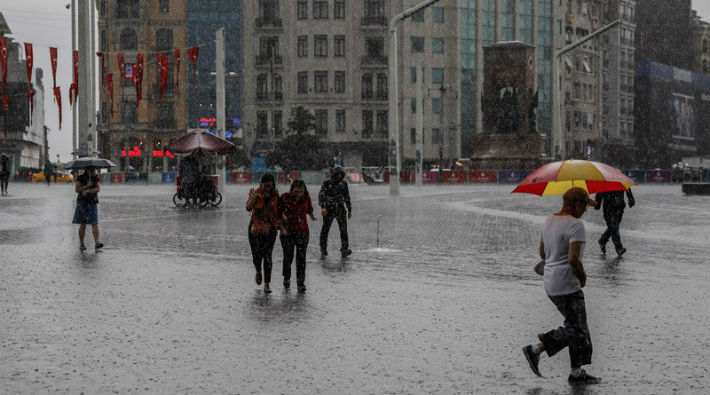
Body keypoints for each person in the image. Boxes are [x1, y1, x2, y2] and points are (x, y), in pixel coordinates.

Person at [523, 187, 601, 384]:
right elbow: (573, 259)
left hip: (550, 283)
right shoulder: (576, 225)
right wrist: (582, 276)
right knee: (577, 329)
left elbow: (543, 253)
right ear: (575, 205)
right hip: (567, 285)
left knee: (576, 325)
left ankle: (576, 373)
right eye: (583, 206)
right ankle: (536, 349)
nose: (584, 210)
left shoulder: (549, 220)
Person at [279, 180, 317, 293]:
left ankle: (301, 283)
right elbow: (278, 211)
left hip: (303, 232)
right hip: (287, 232)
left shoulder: (306, 198)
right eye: (296, 191)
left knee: (301, 258)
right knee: (288, 257)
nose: (298, 194)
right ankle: (286, 277)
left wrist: (312, 216)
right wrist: (282, 223)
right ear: (291, 190)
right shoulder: (285, 197)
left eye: (301, 191)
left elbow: (309, 209)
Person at [246, 173, 281, 293]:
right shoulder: (255, 193)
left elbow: (279, 211)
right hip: (255, 228)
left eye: (269, 185)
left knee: (267, 256)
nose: (267, 188)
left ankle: (267, 284)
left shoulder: (275, 195)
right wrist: (254, 200)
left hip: (270, 229)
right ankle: (258, 270)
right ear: (261, 184)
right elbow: (248, 208)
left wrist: (280, 223)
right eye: (265, 185)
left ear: (272, 185)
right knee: (256, 255)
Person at [318, 166, 352, 257]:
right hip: (329, 209)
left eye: (341, 174)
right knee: (325, 229)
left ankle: (344, 249)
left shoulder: (344, 184)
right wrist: (323, 207)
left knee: (343, 230)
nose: (339, 175)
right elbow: (321, 196)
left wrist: (349, 209)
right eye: (338, 174)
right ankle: (323, 248)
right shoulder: (326, 184)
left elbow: (347, 197)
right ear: (334, 174)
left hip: (340, 209)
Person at [594, 188, 635, 257]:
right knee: (614, 227)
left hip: (619, 209)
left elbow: (627, 188)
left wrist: (631, 199)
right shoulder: (605, 182)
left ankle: (602, 240)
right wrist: (597, 205)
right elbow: (599, 193)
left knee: (613, 228)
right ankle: (619, 248)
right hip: (608, 210)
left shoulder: (620, 180)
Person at [72, 167, 103, 251]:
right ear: (88, 170)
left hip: (92, 201)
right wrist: (85, 187)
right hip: (83, 202)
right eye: (92, 170)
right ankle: (82, 244)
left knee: (94, 222)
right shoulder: (81, 177)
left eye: (94, 170)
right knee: (83, 224)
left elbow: (98, 188)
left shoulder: (95, 177)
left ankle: (97, 243)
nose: (94, 171)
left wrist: (89, 190)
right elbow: (77, 189)